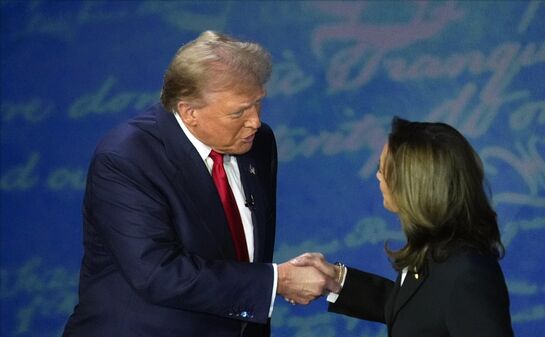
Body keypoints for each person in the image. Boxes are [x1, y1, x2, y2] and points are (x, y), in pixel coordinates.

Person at [62, 30, 338, 337]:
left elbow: (241, 254)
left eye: (258, 103)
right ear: (189, 112)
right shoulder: (126, 158)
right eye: (238, 112)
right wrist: (277, 281)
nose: (255, 121)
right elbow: (157, 273)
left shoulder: (258, 143)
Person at [294, 117, 514, 336]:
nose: (378, 176)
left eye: (383, 168)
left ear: (414, 185)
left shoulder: (468, 274)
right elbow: (418, 310)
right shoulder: (436, 247)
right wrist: (337, 280)